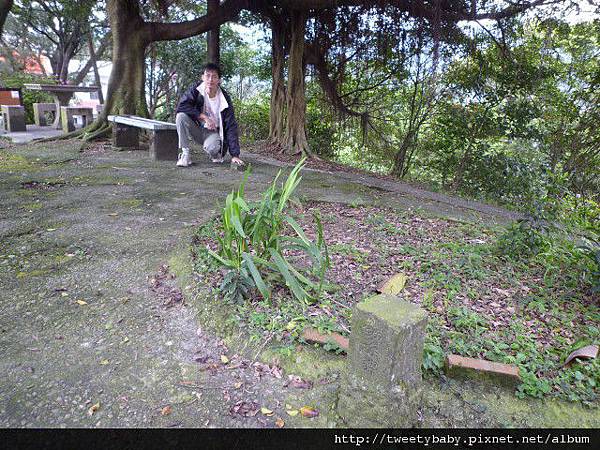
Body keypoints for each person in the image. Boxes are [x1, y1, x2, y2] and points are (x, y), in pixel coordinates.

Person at [174, 63, 244, 167]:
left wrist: (235, 155)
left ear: (219, 80)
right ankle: (185, 154)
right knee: (181, 116)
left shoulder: (224, 99)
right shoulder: (196, 90)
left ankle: (214, 152)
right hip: (197, 129)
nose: (210, 80)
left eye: (214, 76)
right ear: (202, 77)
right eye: (207, 76)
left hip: (213, 133)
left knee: (213, 149)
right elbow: (181, 106)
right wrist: (204, 117)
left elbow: (231, 126)